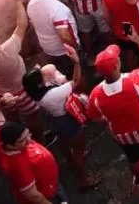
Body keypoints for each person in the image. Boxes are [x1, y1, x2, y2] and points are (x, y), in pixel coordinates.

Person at [20, 45, 99, 191]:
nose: (45, 76)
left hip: (55, 120)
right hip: (66, 120)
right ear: (39, 83)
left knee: (63, 141)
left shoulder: (36, 93)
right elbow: (75, 81)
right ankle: (84, 177)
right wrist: (76, 62)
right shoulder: (52, 95)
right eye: (42, 77)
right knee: (79, 148)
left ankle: (70, 160)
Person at [86, 30, 139, 165]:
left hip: (125, 138)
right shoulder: (135, 80)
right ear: (117, 65)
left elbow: (94, 116)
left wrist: (108, 117)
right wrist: (138, 40)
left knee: (136, 163)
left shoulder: (95, 94)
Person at [0, 95, 65, 204]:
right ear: (10, 146)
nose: (29, 140)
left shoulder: (1, 136)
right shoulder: (18, 166)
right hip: (46, 194)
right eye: (23, 140)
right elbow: (33, 196)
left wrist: (1, 102)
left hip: (49, 182)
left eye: (28, 135)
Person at [26, 0, 80, 77]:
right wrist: (75, 47)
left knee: (59, 74)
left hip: (47, 49)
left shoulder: (31, 4)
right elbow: (64, 36)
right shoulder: (57, 8)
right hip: (64, 51)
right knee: (74, 73)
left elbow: (33, 24)